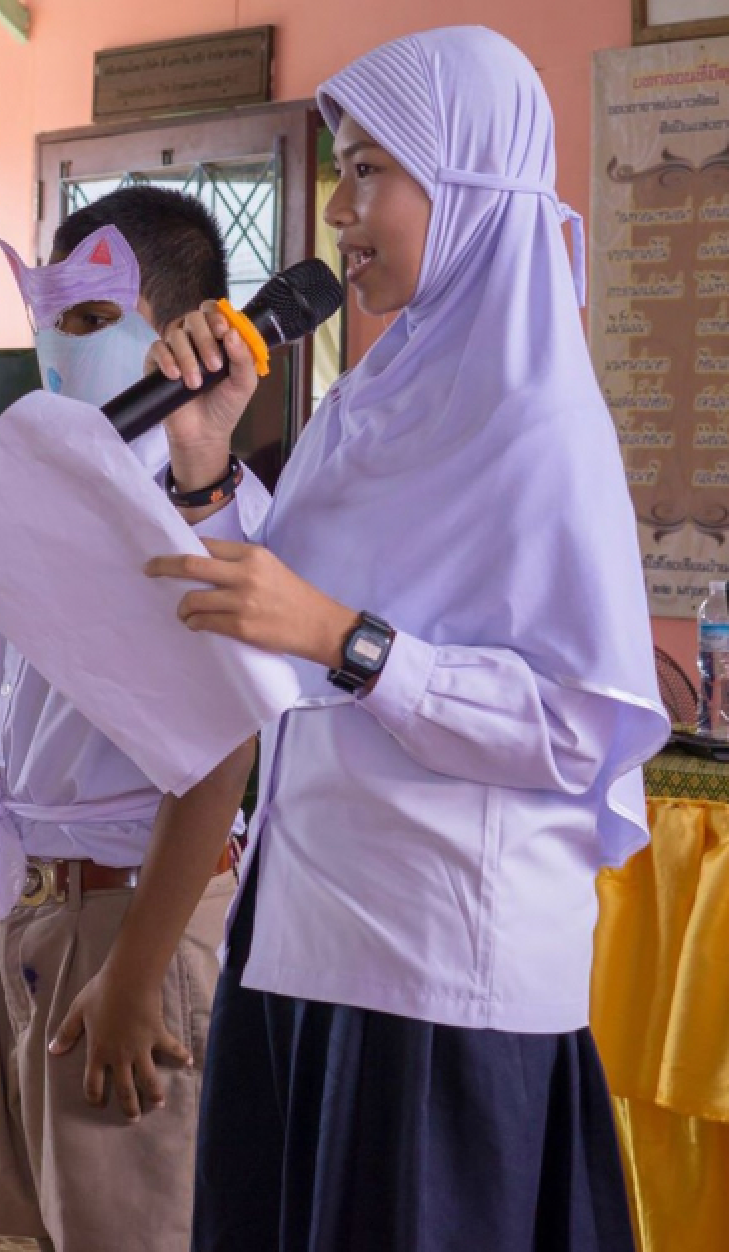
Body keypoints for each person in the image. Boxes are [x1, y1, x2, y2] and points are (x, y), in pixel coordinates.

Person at [143, 27, 666, 1250]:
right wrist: (205, 461)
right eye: (339, 167)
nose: (335, 206)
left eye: (369, 167)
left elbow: (572, 723)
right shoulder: (369, 402)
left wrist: (347, 641)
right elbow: (278, 619)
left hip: (439, 977)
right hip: (308, 939)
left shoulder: (539, 423)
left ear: (471, 181)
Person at [0, 188, 265, 1252]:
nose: (51, 350)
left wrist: (130, 978)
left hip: (132, 924)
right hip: (28, 913)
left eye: (84, 321)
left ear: (176, 333)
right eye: (44, 320)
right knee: (55, 1217)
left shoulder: (205, 514)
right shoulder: (45, 487)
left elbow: (216, 755)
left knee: (135, 1222)